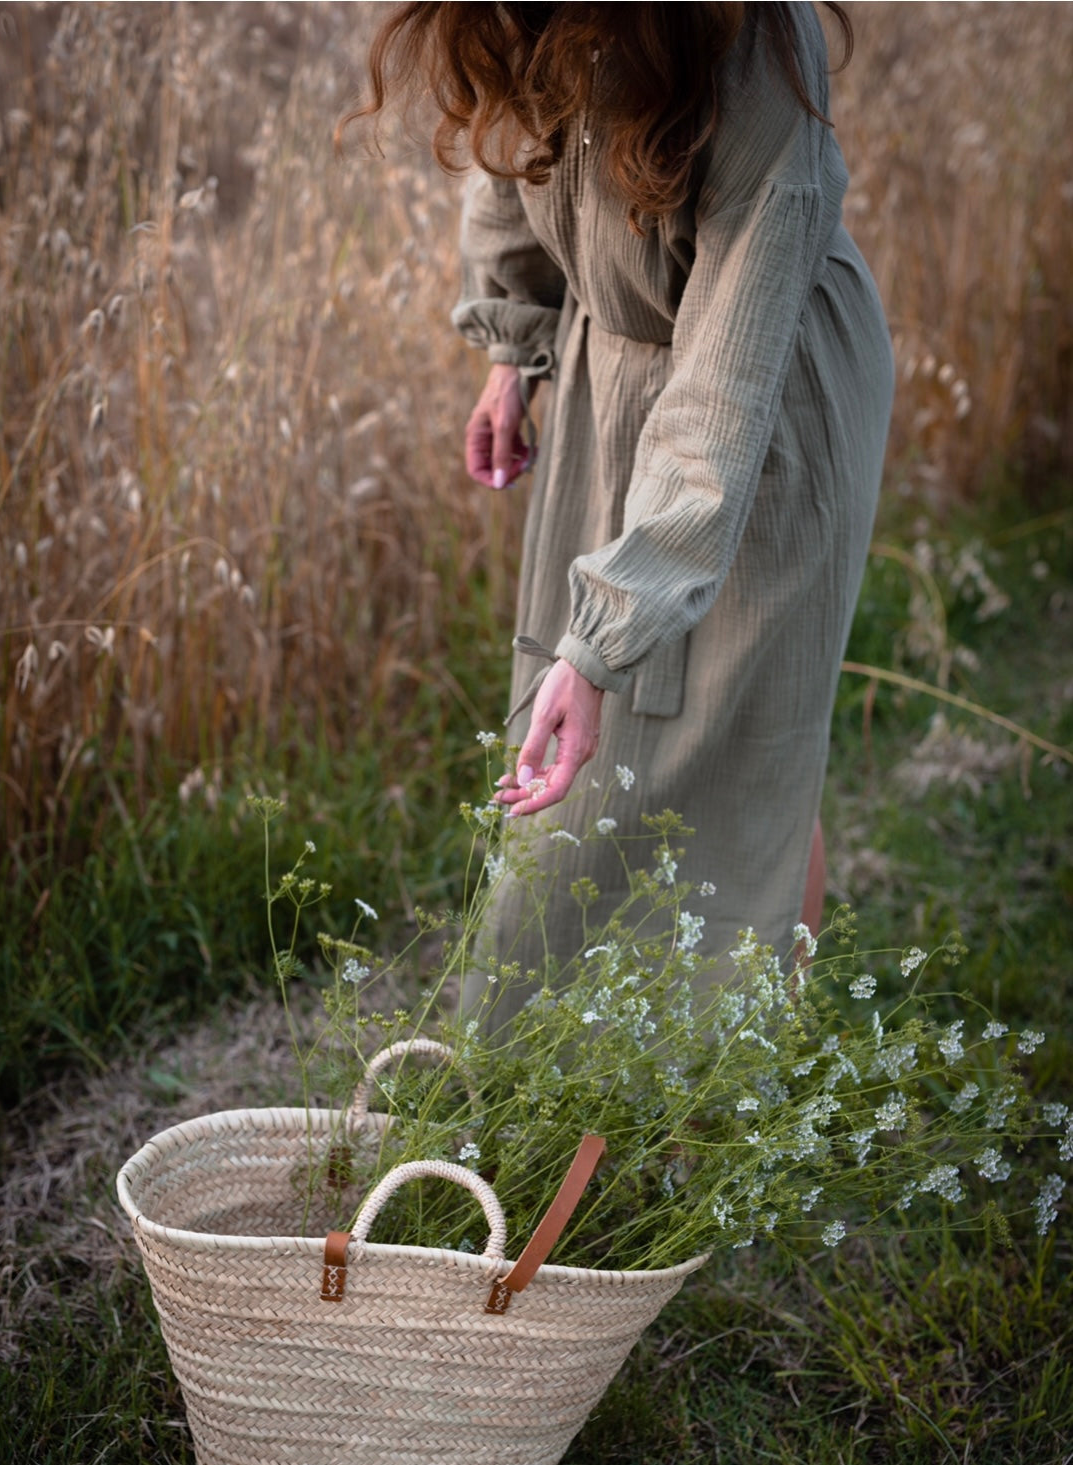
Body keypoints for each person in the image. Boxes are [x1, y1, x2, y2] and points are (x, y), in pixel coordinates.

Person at [358, 2, 893, 997]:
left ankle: (744, 1082)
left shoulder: (754, 44)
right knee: (615, 760)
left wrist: (605, 631)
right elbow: (505, 152)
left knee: (740, 739)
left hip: (766, 399)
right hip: (608, 377)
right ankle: (614, 1067)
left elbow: (723, 383)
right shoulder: (521, 12)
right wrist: (511, 352)